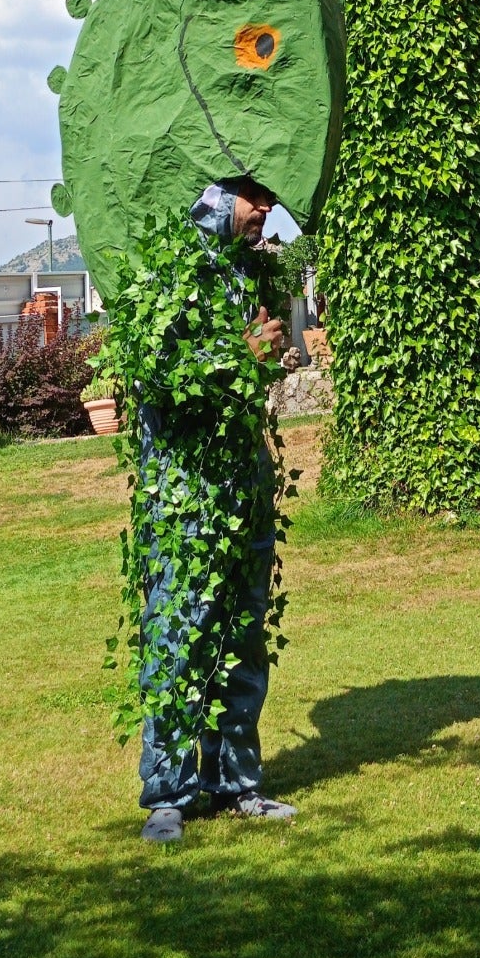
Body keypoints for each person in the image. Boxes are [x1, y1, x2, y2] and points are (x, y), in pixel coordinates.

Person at [136, 176, 296, 844]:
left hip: (242, 485)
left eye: (268, 196)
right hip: (186, 492)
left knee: (242, 637)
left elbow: (245, 371)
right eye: (251, 195)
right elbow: (159, 377)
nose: (265, 207)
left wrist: (267, 358)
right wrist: (242, 354)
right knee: (180, 634)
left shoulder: (246, 272)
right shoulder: (169, 272)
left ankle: (235, 782)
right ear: (209, 195)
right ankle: (169, 795)